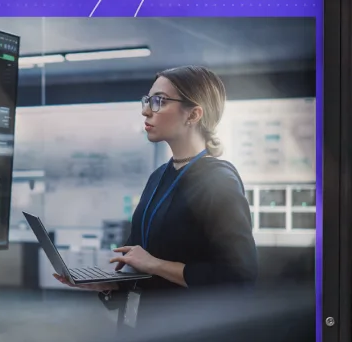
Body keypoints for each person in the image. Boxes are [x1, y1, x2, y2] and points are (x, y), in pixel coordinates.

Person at [56, 65, 257, 297]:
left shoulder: (219, 181)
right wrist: (109, 283)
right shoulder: (159, 175)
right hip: (147, 320)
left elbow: (239, 276)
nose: (146, 111)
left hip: (190, 327)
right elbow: (144, 262)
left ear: (193, 114)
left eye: (159, 101)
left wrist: (154, 264)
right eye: (147, 100)